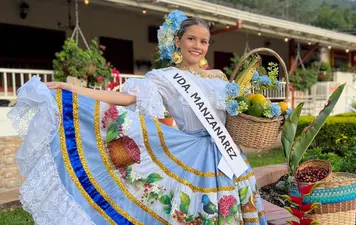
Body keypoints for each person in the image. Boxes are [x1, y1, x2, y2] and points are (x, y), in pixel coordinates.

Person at [9, 10, 267, 225]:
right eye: (191, 39)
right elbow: (128, 99)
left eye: (204, 41)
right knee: (197, 209)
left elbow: (236, 113)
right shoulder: (163, 77)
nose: (198, 46)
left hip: (229, 154)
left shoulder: (220, 77)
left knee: (236, 204)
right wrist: (74, 89)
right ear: (177, 41)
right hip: (193, 153)